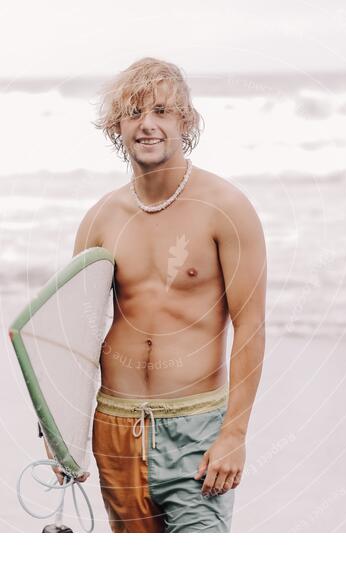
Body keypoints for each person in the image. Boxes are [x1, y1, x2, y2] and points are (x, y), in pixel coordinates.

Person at [53, 57, 266, 532]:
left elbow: (250, 324)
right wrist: (57, 431)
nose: (147, 125)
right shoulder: (100, 218)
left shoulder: (225, 209)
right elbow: (75, 335)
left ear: (185, 121)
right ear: (116, 127)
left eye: (162, 112)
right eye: (133, 113)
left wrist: (234, 433)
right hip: (115, 428)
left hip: (194, 429)